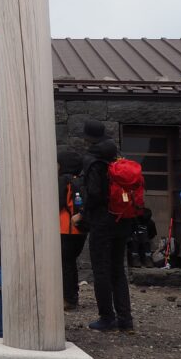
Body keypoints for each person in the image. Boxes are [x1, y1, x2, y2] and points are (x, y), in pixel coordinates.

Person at [82, 119, 134, 332]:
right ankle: (126, 319)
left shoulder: (93, 160)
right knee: (118, 269)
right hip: (122, 219)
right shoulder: (116, 157)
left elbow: (94, 193)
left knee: (101, 269)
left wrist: (85, 212)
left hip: (102, 221)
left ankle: (106, 317)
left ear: (88, 137)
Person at [57, 148, 87, 311]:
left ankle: (68, 299)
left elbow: (57, 203)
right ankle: (73, 295)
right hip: (80, 229)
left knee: (65, 264)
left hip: (65, 228)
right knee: (71, 263)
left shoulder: (63, 180)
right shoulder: (80, 180)